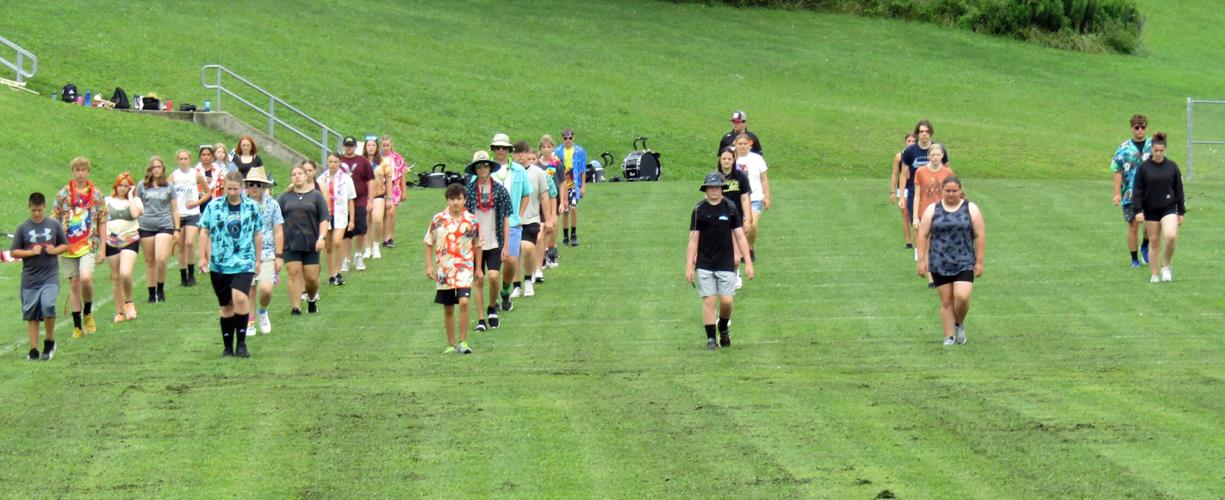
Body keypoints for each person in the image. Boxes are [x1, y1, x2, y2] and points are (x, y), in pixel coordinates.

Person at [686, 172, 755, 350]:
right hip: (704, 263)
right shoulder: (699, 210)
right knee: (709, 300)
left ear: (722, 189)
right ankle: (711, 339)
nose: (714, 190)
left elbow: (740, 236)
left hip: (725, 262)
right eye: (711, 187)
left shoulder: (730, 208)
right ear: (706, 190)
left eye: (717, 187)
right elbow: (693, 240)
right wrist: (689, 267)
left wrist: (747, 262)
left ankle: (723, 327)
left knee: (726, 302)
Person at [198, 171, 263, 358]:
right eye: (229, 188)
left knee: (240, 298)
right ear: (224, 187)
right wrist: (203, 256)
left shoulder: (251, 207)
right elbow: (204, 231)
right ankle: (228, 347)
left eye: (235, 189)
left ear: (242, 188)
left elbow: (258, 234)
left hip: (244, 261)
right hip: (219, 262)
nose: (232, 192)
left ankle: (242, 344)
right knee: (226, 305)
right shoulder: (214, 206)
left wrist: (258, 260)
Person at [916, 176, 985, 345]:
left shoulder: (971, 208)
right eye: (948, 191)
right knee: (946, 301)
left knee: (961, 296)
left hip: (964, 260)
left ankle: (959, 323)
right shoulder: (932, 209)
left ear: (961, 191)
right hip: (939, 261)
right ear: (942, 191)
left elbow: (980, 235)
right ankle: (949, 337)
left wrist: (980, 261)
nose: (951, 194)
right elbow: (923, 234)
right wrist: (921, 261)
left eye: (955, 191)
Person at [425, 183, 482, 354]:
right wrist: (429, 266)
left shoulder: (472, 220)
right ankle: (451, 344)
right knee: (448, 307)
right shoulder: (438, 220)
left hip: (465, 267)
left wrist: (478, 268)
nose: (456, 202)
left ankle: (463, 341)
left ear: (464, 200)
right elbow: (428, 242)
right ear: (447, 200)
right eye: (452, 199)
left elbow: (477, 244)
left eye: (459, 199)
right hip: (444, 269)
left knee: (464, 302)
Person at [52, 156, 106, 338]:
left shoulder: (97, 194)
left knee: (86, 279)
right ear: (73, 172)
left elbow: (102, 221)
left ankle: (88, 311)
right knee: (74, 284)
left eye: (84, 170)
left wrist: (103, 248)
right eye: (77, 170)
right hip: (68, 246)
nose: (81, 173)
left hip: (88, 243)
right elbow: (54, 217)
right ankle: (77, 327)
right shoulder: (63, 194)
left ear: (88, 172)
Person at [12, 192, 69, 360]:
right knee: (31, 314)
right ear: (29, 207)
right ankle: (34, 348)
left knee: (48, 306)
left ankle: (49, 341)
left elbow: (65, 245)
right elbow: (14, 251)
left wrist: (55, 250)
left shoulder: (54, 224)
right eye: (33, 210)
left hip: (50, 276)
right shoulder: (23, 228)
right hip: (30, 278)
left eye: (39, 210)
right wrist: (30, 252)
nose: (36, 213)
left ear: (45, 207)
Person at [465, 151, 511, 331]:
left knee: (493, 276)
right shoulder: (468, 191)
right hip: (474, 242)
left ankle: (492, 306)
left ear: (490, 167)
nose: (482, 168)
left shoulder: (499, 190)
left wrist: (506, 244)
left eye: (485, 165)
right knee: (478, 278)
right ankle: (481, 319)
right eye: (479, 166)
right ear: (475, 169)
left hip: (494, 241)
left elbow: (506, 218)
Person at [1132, 132, 1186, 283]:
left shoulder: (1172, 167)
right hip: (1150, 210)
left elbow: (1179, 189)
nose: (1158, 153)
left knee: (1171, 236)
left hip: (1168, 208)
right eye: (1156, 150)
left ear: (1165, 150)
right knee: (1154, 241)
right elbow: (1137, 190)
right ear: (1151, 149)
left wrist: (1181, 211)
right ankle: (1155, 274)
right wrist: (1138, 210)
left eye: (1161, 151)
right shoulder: (1143, 168)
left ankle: (1166, 266)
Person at [278, 162, 329, 315]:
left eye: (300, 173)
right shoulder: (284, 197)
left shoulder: (316, 196)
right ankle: (296, 307)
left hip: (311, 243)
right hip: (290, 243)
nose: (297, 176)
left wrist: (321, 238)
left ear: (306, 176)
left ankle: (311, 299)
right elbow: (276, 219)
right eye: (294, 174)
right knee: (293, 273)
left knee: (311, 279)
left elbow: (324, 219)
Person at [491, 133, 532, 311]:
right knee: (492, 268)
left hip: (513, 223)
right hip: (490, 224)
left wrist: (519, 215)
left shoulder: (518, 170)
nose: (501, 150)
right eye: (497, 147)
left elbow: (526, 194)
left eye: (504, 148)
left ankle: (506, 291)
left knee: (511, 261)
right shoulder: (485, 170)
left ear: (509, 150)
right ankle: (494, 300)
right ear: (493, 149)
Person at [900, 120, 950, 260]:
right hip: (914, 191)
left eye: (926, 131)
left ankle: (934, 250)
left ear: (930, 133)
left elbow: (948, 170)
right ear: (917, 134)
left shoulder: (938, 150)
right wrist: (901, 196)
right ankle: (919, 250)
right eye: (921, 131)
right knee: (916, 223)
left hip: (935, 193)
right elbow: (903, 174)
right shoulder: (910, 151)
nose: (924, 134)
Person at [244, 168, 283, 334]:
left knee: (265, 289)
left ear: (263, 187)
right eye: (251, 184)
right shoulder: (240, 203)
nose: (254, 188)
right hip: (245, 252)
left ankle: (263, 310)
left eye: (258, 185)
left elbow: (278, 230)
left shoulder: (272, 204)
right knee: (249, 289)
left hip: (267, 251)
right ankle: (250, 322)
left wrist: (279, 255)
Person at [136, 156, 179, 303]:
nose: (156, 170)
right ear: (150, 169)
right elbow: (136, 206)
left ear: (163, 169)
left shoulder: (169, 186)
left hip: (164, 224)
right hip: (145, 225)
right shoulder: (142, 186)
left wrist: (177, 229)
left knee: (161, 259)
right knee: (149, 261)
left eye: (158, 167)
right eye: (153, 167)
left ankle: (160, 288)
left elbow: (174, 209)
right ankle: (151, 292)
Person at [1112, 114, 1152, 268]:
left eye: (1143, 127)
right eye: (1137, 127)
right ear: (1132, 128)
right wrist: (1116, 193)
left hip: (1151, 192)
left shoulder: (1153, 146)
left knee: (1150, 224)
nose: (1140, 130)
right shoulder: (1124, 149)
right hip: (1130, 192)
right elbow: (1117, 170)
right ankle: (1134, 258)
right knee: (1133, 224)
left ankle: (1145, 246)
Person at [104, 172, 144, 323]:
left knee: (125, 273)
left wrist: (131, 196)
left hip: (130, 239)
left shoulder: (136, 201)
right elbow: (100, 220)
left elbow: (134, 214)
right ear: (116, 185)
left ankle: (129, 301)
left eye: (126, 186)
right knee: (115, 277)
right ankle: (119, 311)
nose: (123, 188)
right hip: (111, 241)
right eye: (120, 185)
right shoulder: (107, 201)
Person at [514, 143, 551, 297]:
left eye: (523, 152)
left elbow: (544, 195)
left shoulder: (538, 173)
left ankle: (528, 280)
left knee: (528, 248)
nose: (520, 155)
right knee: (513, 254)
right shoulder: (511, 172)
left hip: (531, 218)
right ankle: (516, 286)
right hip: (513, 219)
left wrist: (548, 219)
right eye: (517, 153)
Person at [717, 146, 753, 288]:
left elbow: (745, 198)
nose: (726, 161)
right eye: (724, 158)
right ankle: (723, 276)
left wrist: (747, 218)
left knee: (736, 257)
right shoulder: (715, 177)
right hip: (719, 219)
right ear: (720, 160)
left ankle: (736, 273)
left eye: (729, 159)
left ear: (734, 160)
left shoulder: (741, 177)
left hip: (736, 220)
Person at [176, 147, 211, 286]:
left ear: (190, 160)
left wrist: (197, 202)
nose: (183, 161)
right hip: (179, 215)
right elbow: (166, 191)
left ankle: (191, 275)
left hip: (192, 214)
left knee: (190, 242)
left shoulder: (195, 174)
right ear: (177, 161)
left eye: (186, 159)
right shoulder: (174, 176)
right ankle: (183, 276)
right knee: (181, 246)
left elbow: (208, 192)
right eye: (181, 159)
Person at [319, 152, 356, 285]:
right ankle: (331, 274)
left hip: (340, 214)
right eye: (330, 162)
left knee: (337, 242)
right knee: (328, 246)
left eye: (335, 162)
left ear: (340, 162)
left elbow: (351, 199)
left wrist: (352, 220)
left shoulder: (346, 179)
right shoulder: (322, 179)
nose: (333, 164)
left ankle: (338, 271)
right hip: (326, 216)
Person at [339, 136, 374, 272]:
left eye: (351, 145)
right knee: (345, 230)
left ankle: (358, 254)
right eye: (347, 145)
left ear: (355, 147)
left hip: (359, 198)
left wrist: (370, 200)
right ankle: (346, 258)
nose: (349, 148)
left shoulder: (363, 161)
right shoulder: (339, 160)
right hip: (342, 200)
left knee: (361, 227)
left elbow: (370, 180)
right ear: (344, 146)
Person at [734, 134, 770, 261]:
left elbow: (764, 179)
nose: (742, 146)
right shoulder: (732, 159)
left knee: (752, 225)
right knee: (739, 226)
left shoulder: (757, 159)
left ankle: (749, 247)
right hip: (737, 197)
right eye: (740, 144)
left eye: (745, 144)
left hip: (755, 196)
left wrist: (767, 196)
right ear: (735, 144)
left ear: (750, 144)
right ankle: (740, 252)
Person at [552, 128, 586, 246]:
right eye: (565, 138)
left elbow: (582, 170)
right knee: (565, 210)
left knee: (573, 207)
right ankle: (565, 235)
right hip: (562, 185)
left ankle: (574, 233)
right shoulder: (557, 152)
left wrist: (583, 187)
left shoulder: (580, 151)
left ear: (573, 138)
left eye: (570, 138)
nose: (568, 140)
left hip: (574, 185)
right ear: (562, 139)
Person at [380, 135, 410, 248]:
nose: (386, 147)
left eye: (388, 145)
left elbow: (402, 175)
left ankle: (391, 237)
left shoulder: (397, 158)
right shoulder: (378, 158)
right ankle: (384, 238)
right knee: (383, 214)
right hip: (381, 187)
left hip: (394, 187)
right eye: (384, 145)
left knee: (391, 212)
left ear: (391, 145)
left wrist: (404, 191)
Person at [890, 133, 918, 249]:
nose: (911, 143)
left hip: (916, 187)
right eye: (909, 141)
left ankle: (918, 238)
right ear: (905, 142)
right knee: (905, 213)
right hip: (903, 188)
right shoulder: (899, 156)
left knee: (915, 213)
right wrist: (892, 192)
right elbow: (895, 174)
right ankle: (908, 241)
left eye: (913, 141)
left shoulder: (920, 155)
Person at [538, 135, 562, 267]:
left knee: (553, 223)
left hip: (554, 197)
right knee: (542, 225)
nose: (546, 149)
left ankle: (551, 250)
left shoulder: (557, 163)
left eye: (549, 147)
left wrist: (563, 201)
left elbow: (562, 182)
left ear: (553, 147)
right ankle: (543, 252)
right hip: (541, 198)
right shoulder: (536, 164)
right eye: (544, 147)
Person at [364, 139, 389, 260]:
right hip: (364, 195)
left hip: (378, 194)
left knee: (377, 219)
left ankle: (376, 246)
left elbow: (388, 179)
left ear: (377, 147)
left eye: (373, 145)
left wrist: (389, 197)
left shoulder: (383, 162)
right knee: (366, 221)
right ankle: (367, 248)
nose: (371, 147)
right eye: (369, 145)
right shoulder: (361, 161)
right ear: (365, 147)